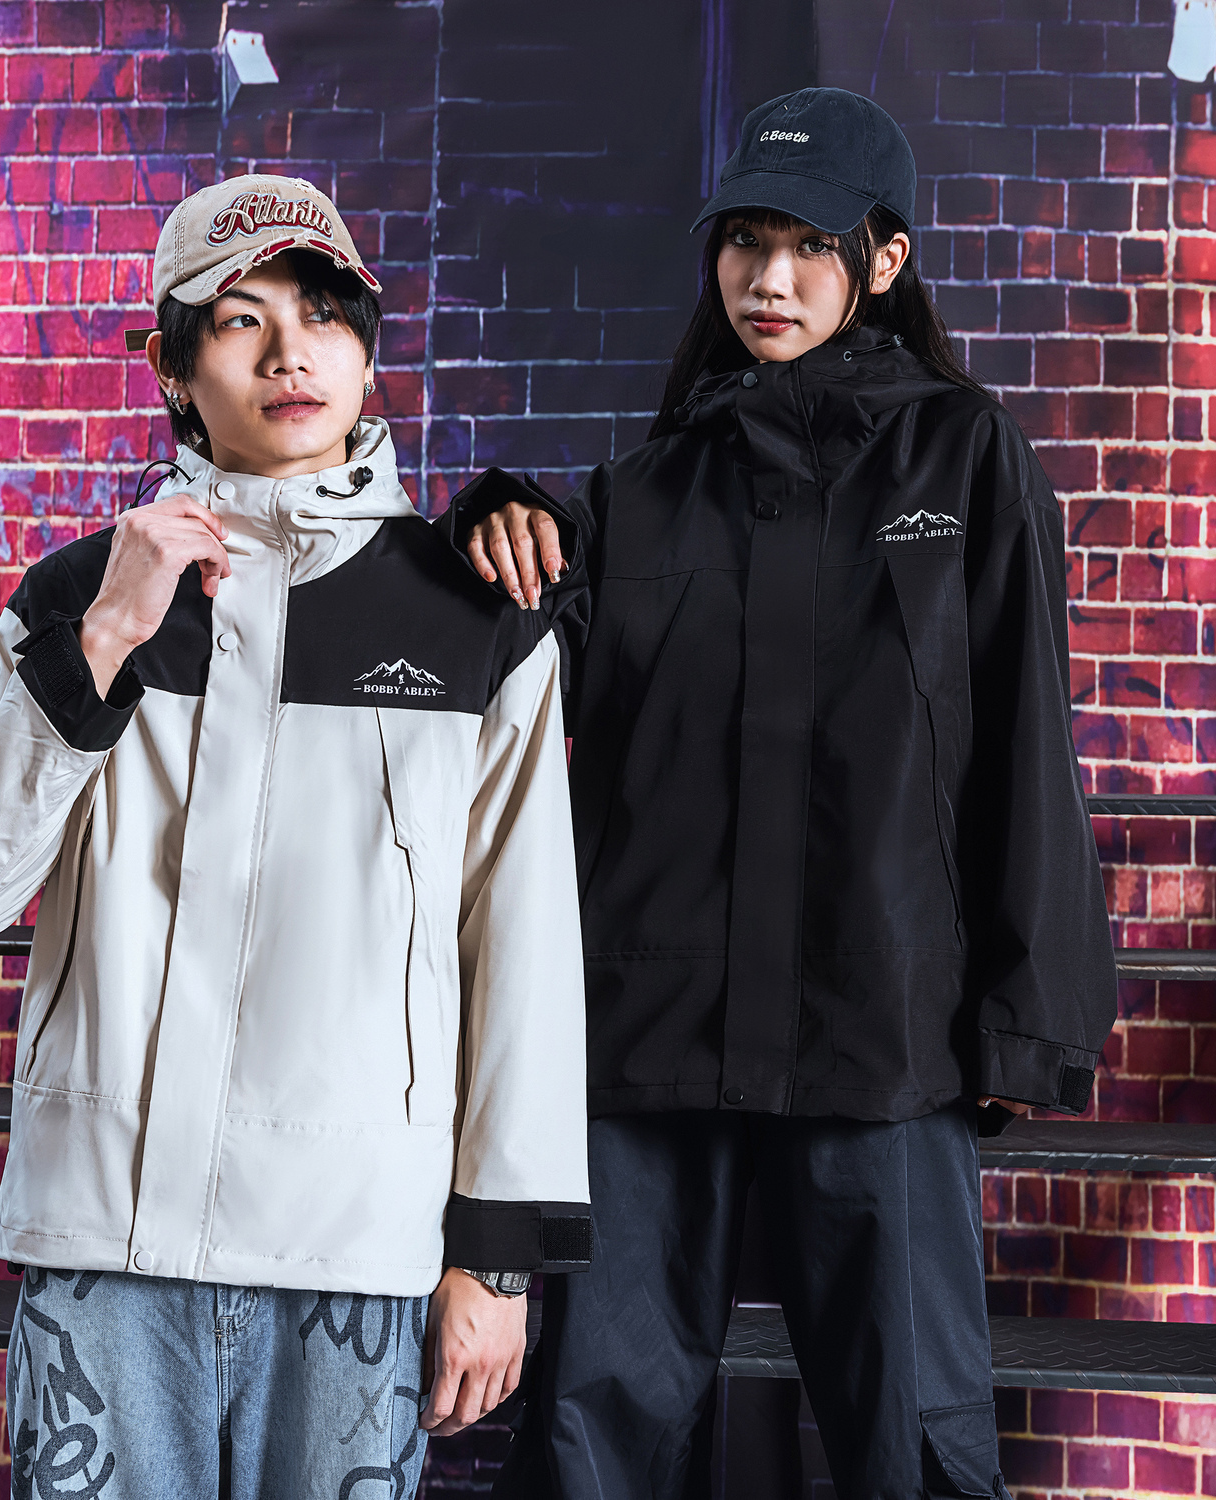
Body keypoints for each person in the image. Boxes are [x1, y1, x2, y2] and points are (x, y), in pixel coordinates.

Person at [449, 90, 1118, 1499]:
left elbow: (1025, 738)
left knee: (915, 1442)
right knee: (592, 1439)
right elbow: (511, 650)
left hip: (884, 1032)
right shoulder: (642, 491)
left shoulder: (964, 456)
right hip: (649, 1041)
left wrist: (1029, 1017)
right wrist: (489, 520)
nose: (769, 278)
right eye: (746, 242)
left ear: (885, 259)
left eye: (812, 245)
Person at [0, 173, 591, 1499]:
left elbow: (524, 949)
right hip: (102, 1248)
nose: (290, 354)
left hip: (356, 1254)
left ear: (367, 353)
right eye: (239, 320)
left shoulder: (474, 617)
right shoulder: (77, 594)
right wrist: (109, 636)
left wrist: (497, 1260)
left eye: (324, 315)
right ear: (171, 366)